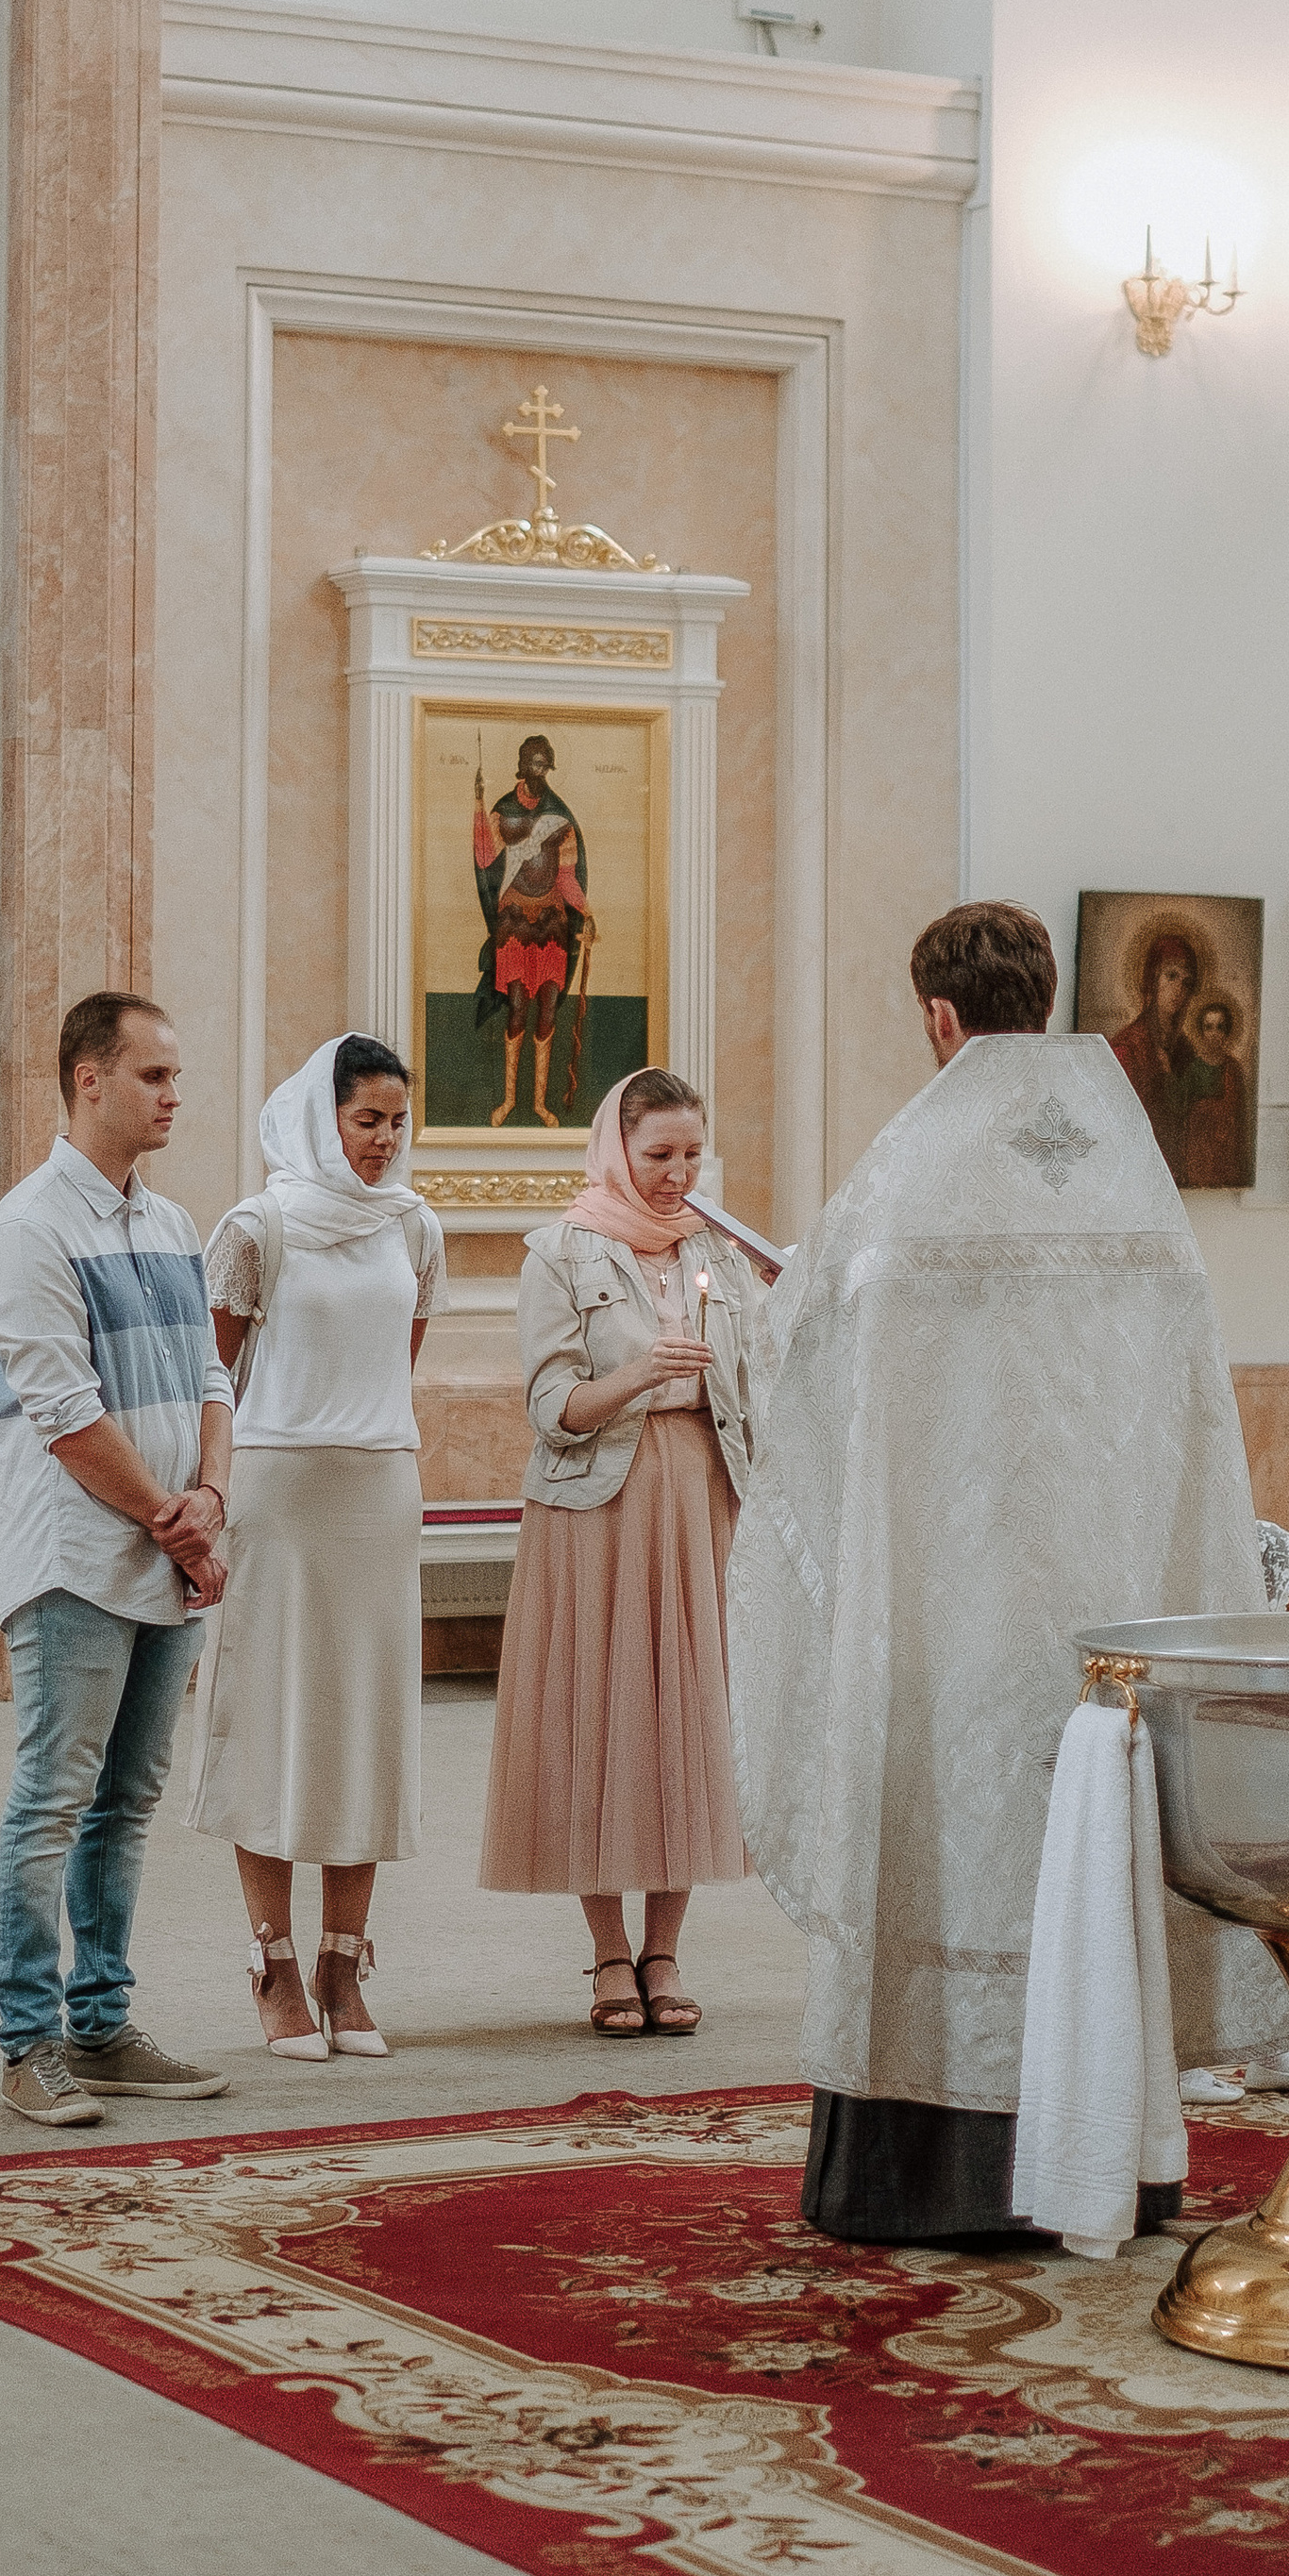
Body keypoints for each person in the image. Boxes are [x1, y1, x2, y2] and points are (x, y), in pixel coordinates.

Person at [730, 900, 1281, 2243]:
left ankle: (936, 2176)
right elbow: (1192, 1415)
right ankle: (1117, 2162)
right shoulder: (1133, 1178)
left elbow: (800, 1373)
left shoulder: (913, 1177)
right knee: (1083, 1863)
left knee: (944, 1858)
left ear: (937, 1016)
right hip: (1106, 1628)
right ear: (1046, 998)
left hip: (945, 1611)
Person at [0, 991, 236, 2127]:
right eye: (154, 1078)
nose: (175, 1097)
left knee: (127, 1801)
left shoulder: (171, 1227)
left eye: (176, 1078)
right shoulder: (29, 1230)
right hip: (78, 1557)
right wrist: (174, 1519)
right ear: (89, 1079)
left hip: (171, 1544)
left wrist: (211, 1496)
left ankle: (103, 2022)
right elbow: (66, 1413)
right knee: (53, 1800)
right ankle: (28, 2041)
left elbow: (215, 1380)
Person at [478, 1065, 766, 2035]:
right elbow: (549, 1408)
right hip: (596, 1505)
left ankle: (666, 1951)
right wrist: (641, 1372)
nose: (678, 1173)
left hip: (697, 1491)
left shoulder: (718, 1252)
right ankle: (607, 1952)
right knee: (596, 1714)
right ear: (616, 1148)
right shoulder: (561, 1250)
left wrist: (782, 1306)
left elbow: (761, 1381)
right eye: (658, 1155)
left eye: (691, 1153)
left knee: (686, 1713)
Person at [187, 1033, 444, 2059]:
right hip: (279, 1492)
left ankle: (347, 1958)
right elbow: (215, 1382)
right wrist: (206, 1502)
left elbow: (398, 1363)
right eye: (364, 1119)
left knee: (363, 1728)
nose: (382, 1141)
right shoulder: (258, 1226)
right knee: (273, 1724)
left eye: (395, 1121)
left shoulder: (416, 1226)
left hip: (379, 1490)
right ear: (319, 1116)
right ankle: (274, 1961)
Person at [475, 731, 593, 1130]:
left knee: (546, 1010)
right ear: (522, 765)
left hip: (552, 925)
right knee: (518, 1008)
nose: (540, 772)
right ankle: (509, 1100)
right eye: (535, 764)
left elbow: (567, 877)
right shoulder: (503, 810)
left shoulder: (560, 818)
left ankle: (540, 1104)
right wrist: (478, 807)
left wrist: (587, 913)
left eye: (546, 765)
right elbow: (486, 857)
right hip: (513, 923)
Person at [1105, 928, 1197, 1178]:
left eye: (1186, 982)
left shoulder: (1186, 1052)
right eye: (1171, 976)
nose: (1179, 989)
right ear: (1152, 980)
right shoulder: (1127, 1048)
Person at [1176, 992, 1250, 1188]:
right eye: (1208, 1028)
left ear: (1227, 1032)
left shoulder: (1233, 1069)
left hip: (1225, 1150)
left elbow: (1238, 1114)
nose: (1214, 1034)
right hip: (1199, 1149)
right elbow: (1182, 1112)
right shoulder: (1193, 1068)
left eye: (1220, 1027)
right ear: (1201, 1031)